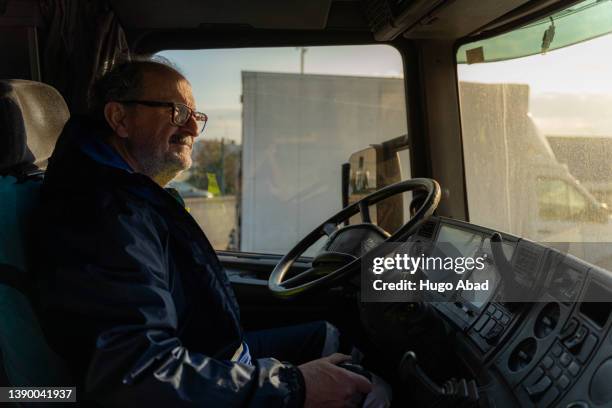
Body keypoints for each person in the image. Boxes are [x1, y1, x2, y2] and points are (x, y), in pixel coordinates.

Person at [33, 59, 377, 407]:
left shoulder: (131, 195)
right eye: (178, 112)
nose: (194, 131)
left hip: (211, 360)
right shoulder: (102, 214)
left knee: (334, 338)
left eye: (196, 117)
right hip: (186, 379)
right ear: (120, 118)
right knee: (366, 386)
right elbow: (139, 375)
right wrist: (293, 387)